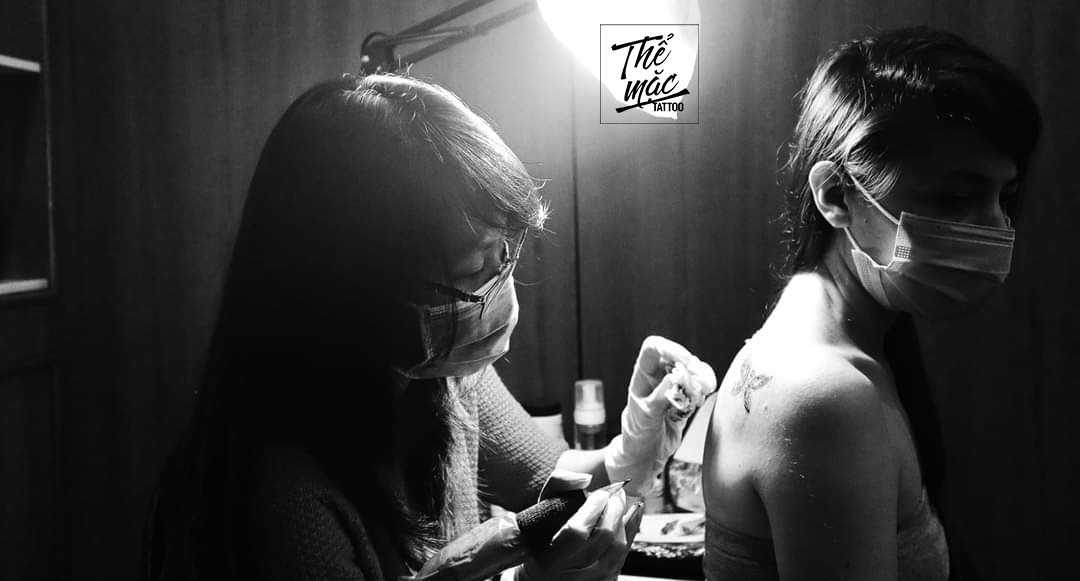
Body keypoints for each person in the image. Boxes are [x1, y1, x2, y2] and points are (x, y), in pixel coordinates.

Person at [143, 73, 716, 581]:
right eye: (475, 267)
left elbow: (552, 486)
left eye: (507, 255)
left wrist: (629, 455)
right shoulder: (282, 497)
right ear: (354, 289)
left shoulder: (439, 374)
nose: (503, 290)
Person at [701, 27, 1040, 581]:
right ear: (836, 195)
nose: (997, 229)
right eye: (956, 198)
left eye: (1005, 198)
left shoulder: (835, 351)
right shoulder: (824, 399)